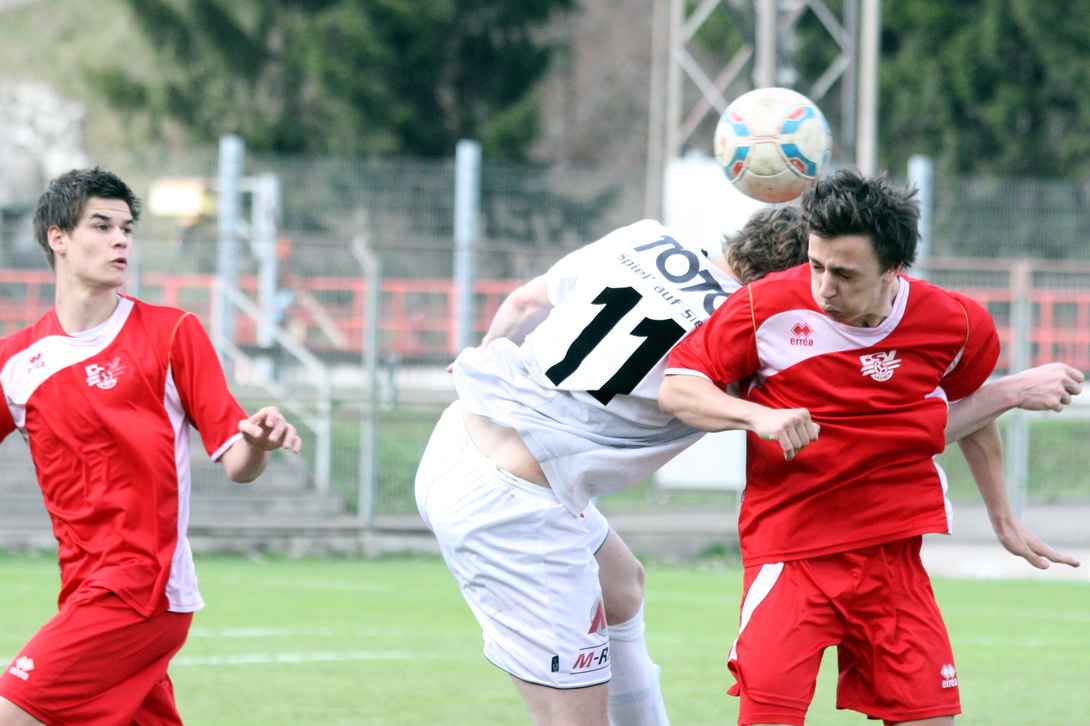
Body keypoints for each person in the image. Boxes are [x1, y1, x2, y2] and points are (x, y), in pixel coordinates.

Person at [415, 201, 1080, 726]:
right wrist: (1008, 393)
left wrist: (482, 352)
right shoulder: (748, 328)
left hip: (460, 438)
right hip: (514, 509)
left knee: (621, 588)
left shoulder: (643, 238)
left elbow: (527, 304)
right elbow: (866, 437)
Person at [659, 169, 1082, 726]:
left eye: (844, 273)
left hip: (894, 559)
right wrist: (754, 415)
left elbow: (975, 412)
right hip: (791, 556)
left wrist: (1003, 517)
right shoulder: (764, 308)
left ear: (892, 270)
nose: (823, 287)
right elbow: (678, 388)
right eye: (815, 265)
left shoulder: (954, 323)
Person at [0, 168, 303, 726]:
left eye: (127, 228)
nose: (121, 240)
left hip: (142, 591)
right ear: (57, 238)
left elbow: (237, 463)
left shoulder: (171, 332)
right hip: (84, 590)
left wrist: (257, 441)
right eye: (102, 225)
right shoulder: (16, 361)